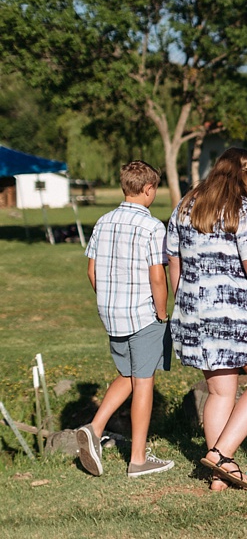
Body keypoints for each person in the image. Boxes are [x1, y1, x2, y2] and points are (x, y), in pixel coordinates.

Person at [166, 147, 247, 491]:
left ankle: (220, 475)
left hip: (195, 314)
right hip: (237, 314)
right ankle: (222, 454)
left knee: (220, 393)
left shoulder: (186, 205)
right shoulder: (243, 208)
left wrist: (184, 302)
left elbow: (173, 260)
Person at [78, 160, 174, 478]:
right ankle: (137, 460)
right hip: (142, 313)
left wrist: (106, 299)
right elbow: (157, 278)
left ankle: (93, 428)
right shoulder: (152, 227)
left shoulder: (103, 222)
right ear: (148, 189)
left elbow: (92, 270)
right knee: (144, 381)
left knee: (128, 375)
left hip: (111, 312)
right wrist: (162, 313)